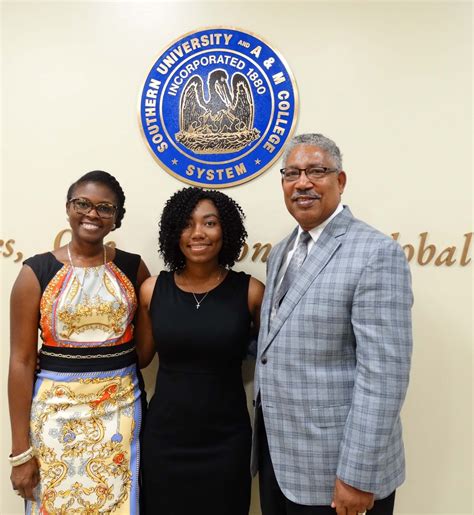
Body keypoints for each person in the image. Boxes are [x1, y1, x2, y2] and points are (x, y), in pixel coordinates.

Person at [252, 133, 413, 515]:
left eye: (316, 171)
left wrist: (357, 475)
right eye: (292, 173)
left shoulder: (376, 253)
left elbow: (384, 376)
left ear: (340, 181)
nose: (302, 182)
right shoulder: (282, 252)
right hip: (280, 460)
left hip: (339, 471)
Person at [8, 170, 150, 514]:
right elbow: (21, 361)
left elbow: (144, 354)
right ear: (68, 208)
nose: (92, 214)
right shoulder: (35, 272)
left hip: (119, 417)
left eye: (105, 208)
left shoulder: (134, 269)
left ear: (116, 219)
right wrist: (20, 453)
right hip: (55, 420)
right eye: (82, 204)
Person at [136, 187, 264, 515]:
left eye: (210, 223)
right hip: (165, 440)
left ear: (227, 231)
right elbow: (140, 358)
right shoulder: (153, 289)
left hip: (227, 441)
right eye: (187, 224)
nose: (198, 234)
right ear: (173, 233)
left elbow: (274, 361)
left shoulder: (250, 292)